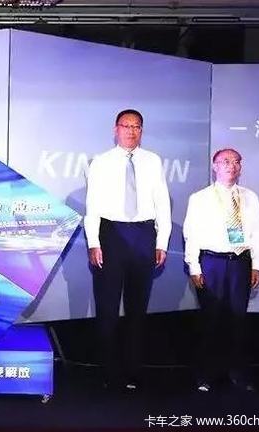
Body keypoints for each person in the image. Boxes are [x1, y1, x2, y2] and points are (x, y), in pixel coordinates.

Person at [84, 109, 171, 391]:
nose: (131, 131)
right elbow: (92, 206)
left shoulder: (153, 161)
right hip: (111, 234)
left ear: (141, 131)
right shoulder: (101, 162)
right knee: (108, 309)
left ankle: (134, 371)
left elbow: (162, 204)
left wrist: (161, 242)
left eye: (137, 127)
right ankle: (109, 372)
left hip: (144, 234)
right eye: (126, 126)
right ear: (116, 129)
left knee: (137, 308)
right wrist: (94, 242)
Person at [183, 148, 259, 393]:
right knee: (211, 320)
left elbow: (257, 233)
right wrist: (194, 266)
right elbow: (191, 234)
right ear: (215, 166)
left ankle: (237, 373)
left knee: (238, 320)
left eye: (236, 161)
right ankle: (206, 375)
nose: (232, 165)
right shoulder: (200, 198)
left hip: (241, 262)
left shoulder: (250, 197)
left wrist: (256, 264)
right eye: (226, 161)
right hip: (212, 262)